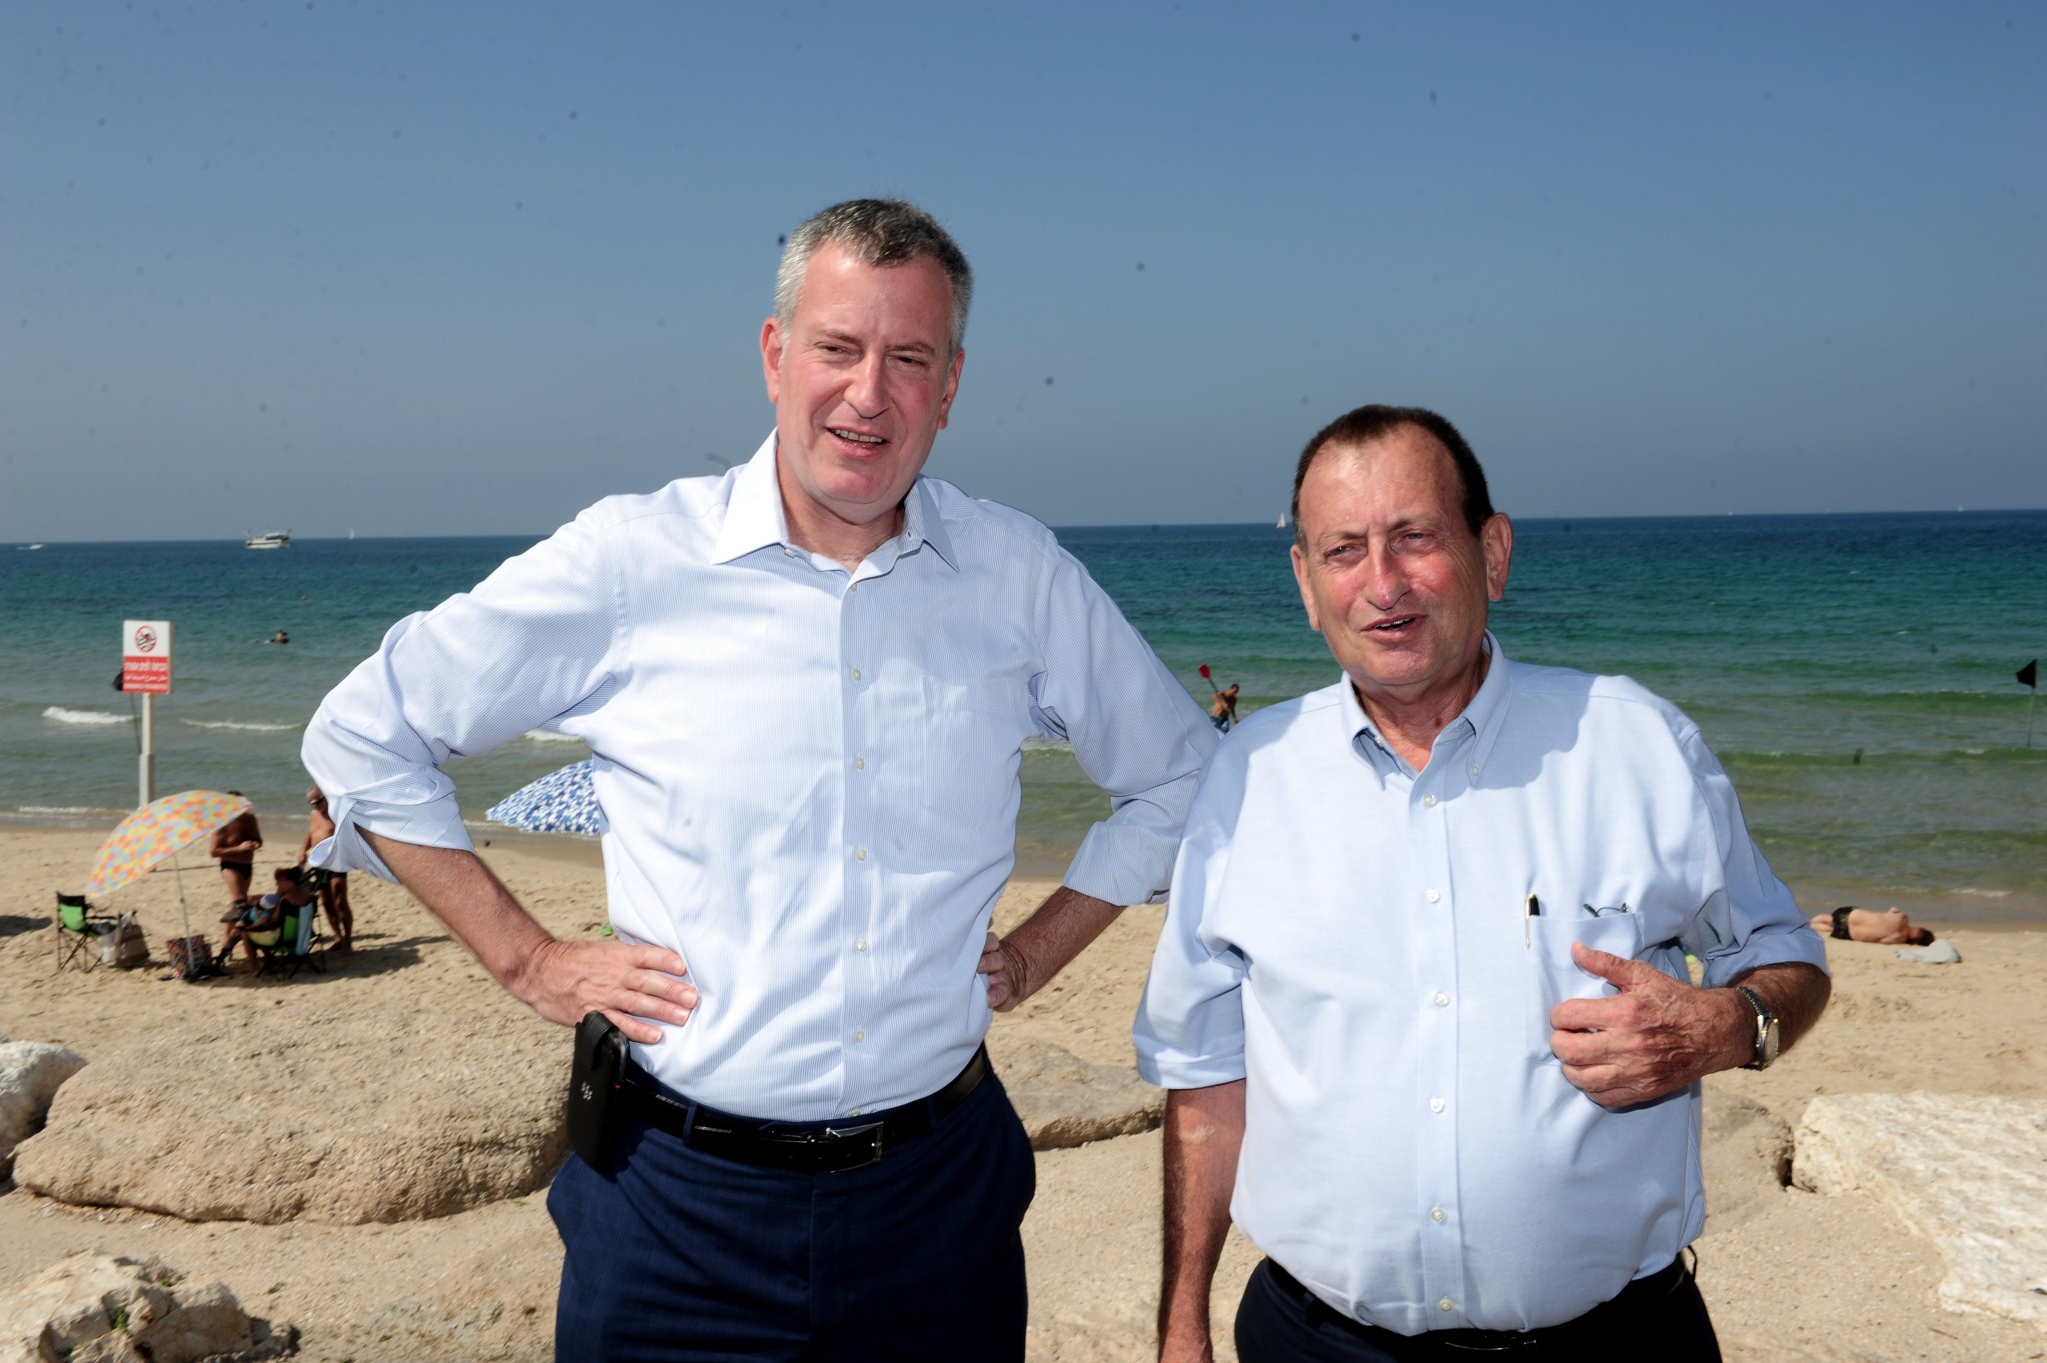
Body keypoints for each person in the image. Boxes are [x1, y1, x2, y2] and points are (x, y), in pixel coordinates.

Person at [301, 198, 1216, 1363]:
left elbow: (1180, 776)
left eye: (909, 358)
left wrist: (1040, 945)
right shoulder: (634, 561)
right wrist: (526, 956)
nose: (868, 392)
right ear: (775, 355)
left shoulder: (1015, 574)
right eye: (837, 348)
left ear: (951, 385)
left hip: (939, 1200)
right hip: (673, 1211)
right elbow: (364, 734)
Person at [1135, 405, 1832, 1363]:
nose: (1382, 584)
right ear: (1305, 582)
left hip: (1617, 1341)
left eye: (1415, 537)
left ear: (1492, 552)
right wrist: (1181, 1328)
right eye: (1343, 550)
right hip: (1315, 1343)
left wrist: (1729, 1026)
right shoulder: (1247, 777)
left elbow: (1787, 955)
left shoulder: (1634, 744)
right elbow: (1204, 1072)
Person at [215, 866, 311, 970]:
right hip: (299, 936)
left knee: (244, 931)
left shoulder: (284, 902)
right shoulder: (306, 897)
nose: (276, 884)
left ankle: (254, 968)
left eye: (279, 882)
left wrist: (259, 917)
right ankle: (269, 961)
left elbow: (273, 922)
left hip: (280, 940)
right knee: (244, 924)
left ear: (288, 883)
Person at [299, 787, 353, 950]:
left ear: (325, 798)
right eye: (312, 803)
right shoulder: (314, 814)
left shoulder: (335, 812)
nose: (316, 805)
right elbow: (311, 833)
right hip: (319, 862)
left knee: (339, 897)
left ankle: (348, 939)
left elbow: (349, 832)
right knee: (326, 901)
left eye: (319, 801)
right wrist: (303, 850)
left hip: (336, 860)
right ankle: (338, 937)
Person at [209, 795, 262, 906]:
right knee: (240, 900)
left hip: (248, 864)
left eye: (242, 804)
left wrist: (256, 844)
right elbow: (214, 852)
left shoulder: (250, 819)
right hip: (230, 865)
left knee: (239, 901)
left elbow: (258, 840)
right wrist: (239, 849)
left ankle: (235, 922)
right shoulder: (221, 824)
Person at [1810, 905, 1934, 946]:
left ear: (1921, 927)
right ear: (1916, 942)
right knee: (1832, 928)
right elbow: (1884, 940)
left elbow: (1891, 911)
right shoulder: (1898, 939)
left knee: (1829, 919)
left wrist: (1892, 911)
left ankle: (1808, 922)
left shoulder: (1903, 918)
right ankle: (1810, 926)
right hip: (1850, 934)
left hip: (1851, 916)